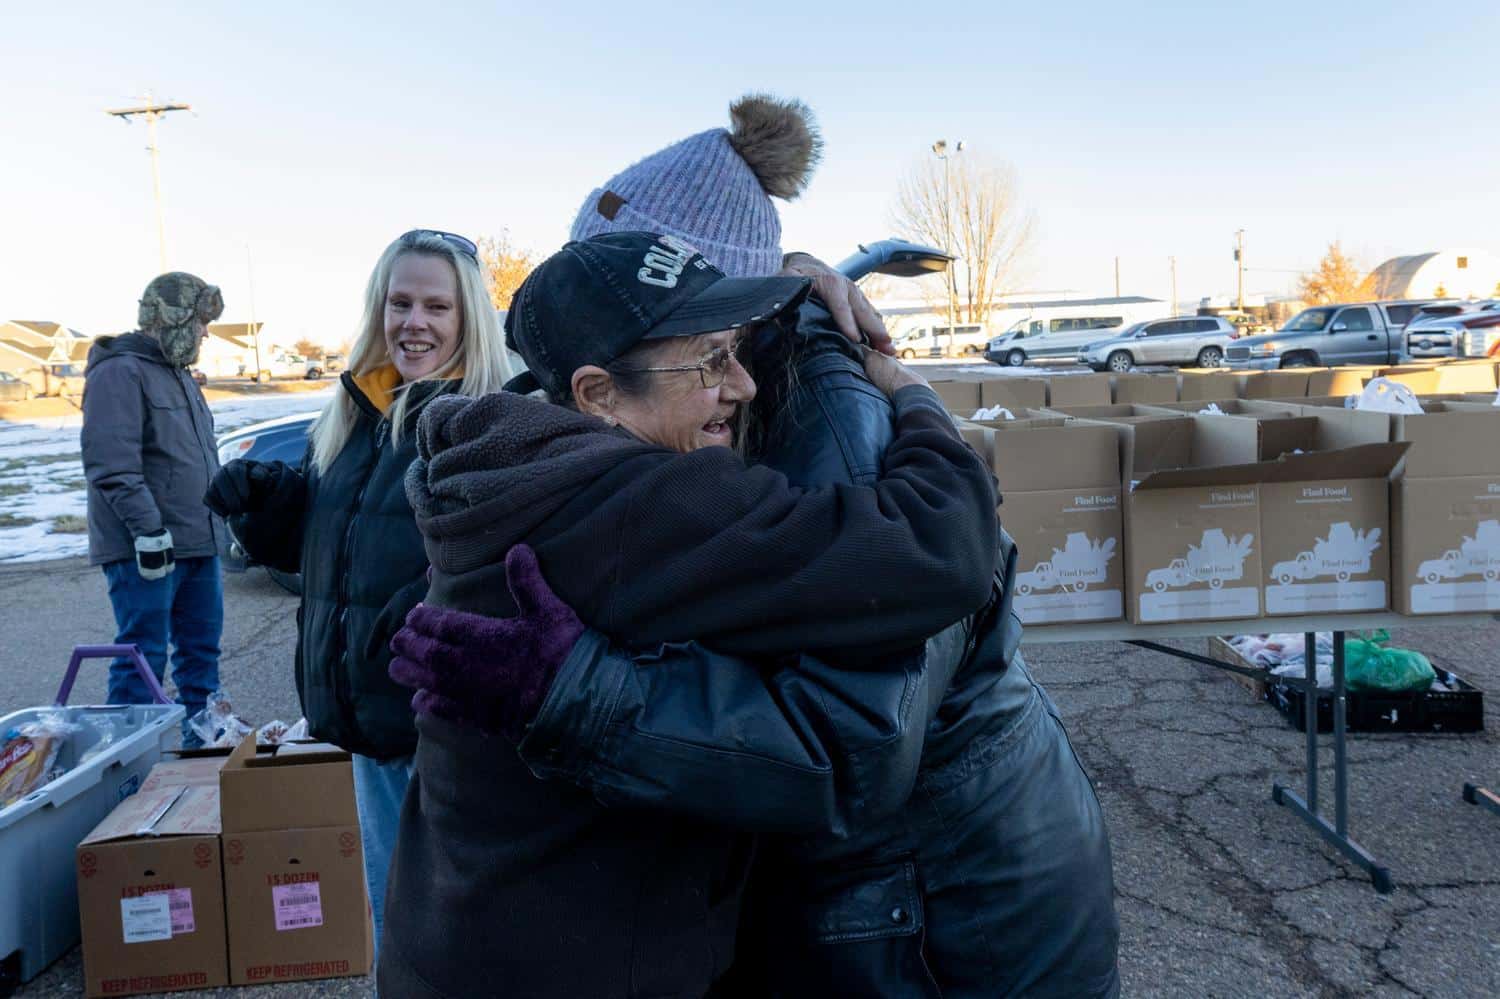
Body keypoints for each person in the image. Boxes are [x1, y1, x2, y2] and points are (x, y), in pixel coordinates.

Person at [390, 95, 1119, 997]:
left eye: (729, 344)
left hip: (951, 921)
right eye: (703, 355)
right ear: (593, 391)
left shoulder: (820, 433)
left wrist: (581, 695)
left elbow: (856, 742)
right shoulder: (641, 481)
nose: (728, 380)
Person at [201, 229, 512, 955]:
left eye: (438, 306)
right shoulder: (356, 416)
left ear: (468, 317)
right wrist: (272, 516)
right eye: (400, 302)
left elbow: (499, 575)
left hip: (447, 734)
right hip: (372, 729)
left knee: (461, 940)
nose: (415, 322)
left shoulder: (485, 421)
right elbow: (335, 562)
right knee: (396, 920)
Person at [81, 272, 227, 745]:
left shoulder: (177, 374)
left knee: (201, 652)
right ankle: (128, 761)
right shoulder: (119, 372)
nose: (206, 333)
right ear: (176, 317)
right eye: (202, 322)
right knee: (142, 656)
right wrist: (148, 530)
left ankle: (202, 742)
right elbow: (111, 464)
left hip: (196, 541)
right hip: (145, 548)